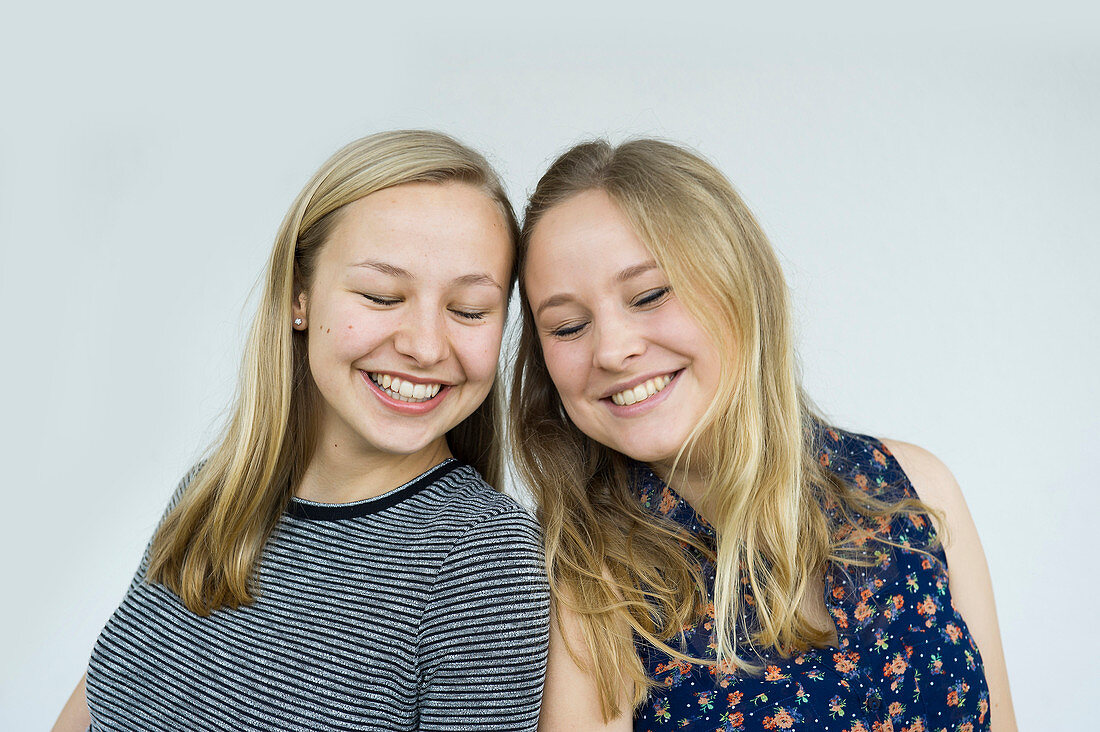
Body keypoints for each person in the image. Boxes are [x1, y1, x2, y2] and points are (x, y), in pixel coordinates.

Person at [52, 130, 549, 731]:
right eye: (381, 295)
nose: (424, 345)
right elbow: (89, 712)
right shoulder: (212, 492)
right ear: (299, 295)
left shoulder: (481, 560)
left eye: (469, 310)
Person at [511, 139, 1016, 731]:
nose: (614, 350)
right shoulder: (583, 583)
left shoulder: (917, 487)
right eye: (568, 326)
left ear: (737, 283)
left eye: (649, 295)